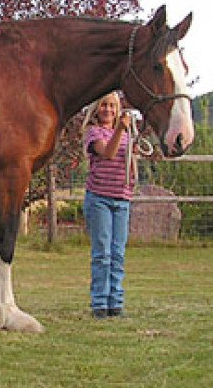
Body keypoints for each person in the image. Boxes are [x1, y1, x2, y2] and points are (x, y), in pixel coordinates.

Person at [81, 91, 135, 319]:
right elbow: (109, 154)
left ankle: (116, 302)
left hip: (121, 198)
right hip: (99, 198)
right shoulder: (93, 133)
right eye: (104, 105)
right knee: (102, 253)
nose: (108, 110)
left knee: (118, 253)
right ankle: (100, 303)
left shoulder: (126, 134)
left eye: (113, 106)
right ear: (96, 109)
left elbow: (129, 160)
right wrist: (122, 129)